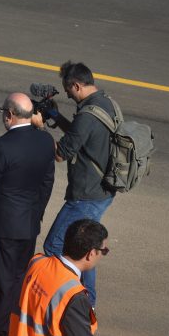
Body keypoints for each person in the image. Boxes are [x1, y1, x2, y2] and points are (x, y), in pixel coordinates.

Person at [32, 61, 116, 307]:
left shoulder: (87, 115)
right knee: (85, 247)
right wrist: (56, 117)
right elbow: (81, 137)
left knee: (54, 246)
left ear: (77, 85)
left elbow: (61, 153)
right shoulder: (105, 102)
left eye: (68, 90)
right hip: (103, 190)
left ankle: (56, 298)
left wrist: (40, 128)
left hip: (86, 196)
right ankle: (87, 302)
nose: (68, 95)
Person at [0, 93, 55, 336]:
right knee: (20, 280)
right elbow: (47, 182)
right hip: (29, 222)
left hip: (6, 224)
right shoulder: (45, 141)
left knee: (5, 282)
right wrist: (37, 213)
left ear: (9, 115)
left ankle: (2, 333)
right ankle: (18, 330)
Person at [9, 219, 108, 336]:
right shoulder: (74, 296)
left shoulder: (37, 262)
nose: (103, 255)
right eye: (104, 251)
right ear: (91, 254)